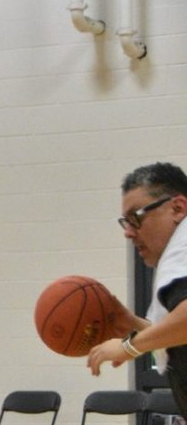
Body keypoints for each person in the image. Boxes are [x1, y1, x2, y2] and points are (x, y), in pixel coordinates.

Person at [88, 164, 187, 410]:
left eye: (136, 217)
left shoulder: (181, 250)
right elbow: (177, 336)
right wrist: (134, 324)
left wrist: (128, 347)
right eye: (125, 222)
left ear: (177, 208)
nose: (129, 233)